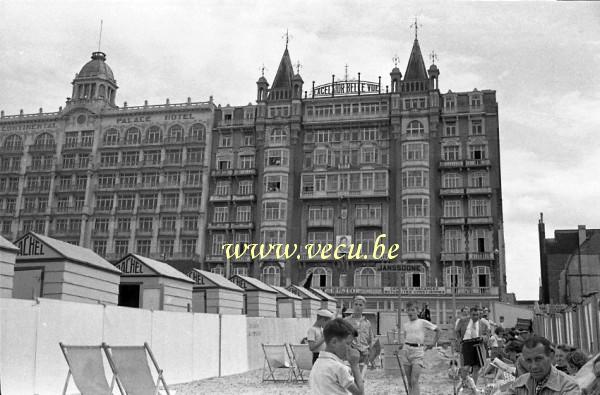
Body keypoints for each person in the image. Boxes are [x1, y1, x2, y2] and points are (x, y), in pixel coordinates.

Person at [506, 336, 581, 395]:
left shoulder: (568, 386)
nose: (534, 366)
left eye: (538, 359)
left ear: (551, 356)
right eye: (528, 360)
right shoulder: (520, 383)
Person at [309, 318, 364, 395]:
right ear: (334, 342)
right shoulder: (338, 368)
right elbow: (360, 393)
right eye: (348, 344)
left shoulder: (317, 364)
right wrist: (355, 365)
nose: (350, 348)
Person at [399, 301, 440, 395]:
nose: (410, 312)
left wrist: (433, 343)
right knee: (409, 381)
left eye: (413, 310)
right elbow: (406, 339)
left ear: (417, 311)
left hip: (418, 352)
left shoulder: (422, 322)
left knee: (414, 380)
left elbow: (438, 330)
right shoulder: (406, 325)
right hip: (406, 351)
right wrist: (400, 348)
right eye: (408, 310)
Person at [456, 307, 490, 383]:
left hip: (478, 344)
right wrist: (459, 342)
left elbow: (487, 335)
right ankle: (463, 381)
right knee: (466, 367)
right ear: (470, 314)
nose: (475, 316)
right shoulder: (463, 321)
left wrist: (483, 338)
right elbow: (457, 331)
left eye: (477, 315)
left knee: (476, 367)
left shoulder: (483, 323)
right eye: (473, 315)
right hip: (466, 344)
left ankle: (473, 385)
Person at [345, 295, 374, 376]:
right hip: (351, 354)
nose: (358, 307)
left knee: (360, 380)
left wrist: (372, 358)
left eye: (360, 305)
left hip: (364, 355)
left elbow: (371, 340)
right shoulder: (346, 321)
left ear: (364, 307)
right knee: (350, 380)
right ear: (353, 305)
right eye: (356, 304)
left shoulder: (367, 323)